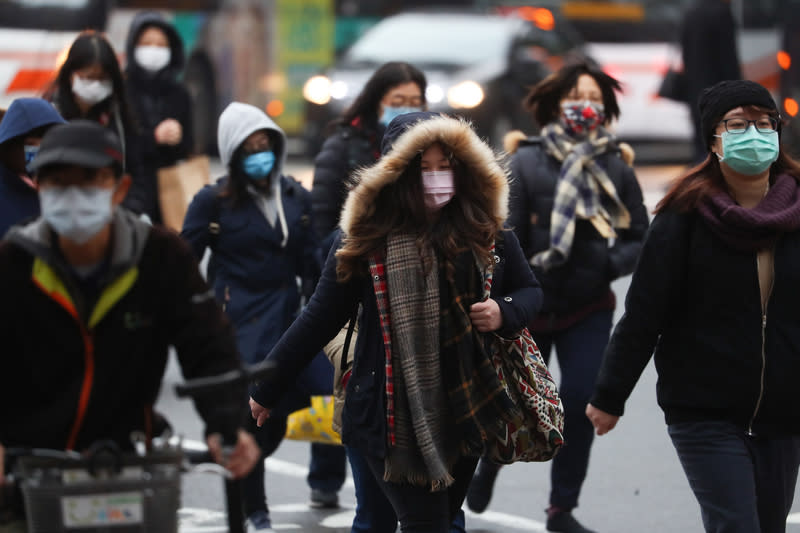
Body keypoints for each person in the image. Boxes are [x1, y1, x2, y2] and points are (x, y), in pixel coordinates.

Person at [249, 111, 543, 533]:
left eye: (446, 167)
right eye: (424, 168)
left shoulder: (484, 229)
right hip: (387, 410)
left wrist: (503, 311)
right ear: (397, 174)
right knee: (425, 524)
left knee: (442, 518)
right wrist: (268, 387)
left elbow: (530, 291)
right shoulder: (364, 239)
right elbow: (319, 316)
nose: (437, 178)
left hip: (467, 405)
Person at [0, 121, 260, 526]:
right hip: (30, 472)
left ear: (119, 189)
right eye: (57, 182)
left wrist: (225, 426)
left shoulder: (160, 256)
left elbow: (208, 346)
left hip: (126, 462)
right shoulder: (15, 261)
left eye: (89, 180)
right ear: (38, 188)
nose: (72, 194)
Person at [586, 79, 800, 533]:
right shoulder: (684, 217)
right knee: (737, 525)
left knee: (769, 525)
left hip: (783, 412)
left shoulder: (797, 211)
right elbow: (645, 314)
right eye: (739, 125)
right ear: (714, 140)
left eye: (765, 124)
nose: (755, 134)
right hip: (703, 409)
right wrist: (610, 395)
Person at [466, 61, 650, 533]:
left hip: (588, 307)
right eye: (574, 98)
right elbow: (506, 238)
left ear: (604, 108)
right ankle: (490, 463)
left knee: (580, 399)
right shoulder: (525, 161)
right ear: (554, 105)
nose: (583, 106)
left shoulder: (616, 166)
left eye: (592, 98)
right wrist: (517, 294)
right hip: (530, 307)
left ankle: (561, 509)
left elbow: (637, 235)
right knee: (513, 400)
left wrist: (608, 265)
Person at [180, 102, 345, 531]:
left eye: (266, 144)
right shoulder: (211, 202)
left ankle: (328, 480)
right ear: (233, 153)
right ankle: (254, 510)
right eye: (249, 147)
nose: (260, 154)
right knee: (252, 421)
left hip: (290, 317)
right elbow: (182, 264)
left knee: (334, 396)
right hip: (240, 323)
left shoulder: (295, 196)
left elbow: (314, 260)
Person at [312, 61, 426, 240]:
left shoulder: (432, 149)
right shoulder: (343, 147)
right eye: (398, 102)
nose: (407, 110)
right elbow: (322, 221)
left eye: (415, 103)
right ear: (377, 103)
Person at [47, 30, 150, 220]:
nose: (95, 85)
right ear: (70, 75)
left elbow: (136, 175)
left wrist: (128, 211)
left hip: (115, 215)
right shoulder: (50, 115)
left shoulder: (119, 118)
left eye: (102, 78)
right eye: (87, 77)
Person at [124, 11, 195, 225]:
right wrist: (153, 138)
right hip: (130, 193)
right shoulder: (122, 89)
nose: (153, 50)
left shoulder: (180, 93)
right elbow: (118, 143)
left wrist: (177, 137)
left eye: (161, 44)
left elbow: (188, 148)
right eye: (146, 43)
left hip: (169, 194)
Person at [680, 0, 741, 163]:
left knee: (701, 139)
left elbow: (685, 54)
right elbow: (729, 58)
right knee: (722, 137)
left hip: (696, 89)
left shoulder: (691, 13)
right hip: (720, 89)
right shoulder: (722, 13)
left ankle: (701, 175)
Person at [0, 97, 65, 236]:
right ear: (10, 146)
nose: (45, 152)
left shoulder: (66, 182)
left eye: (52, 142)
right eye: (32, 144)